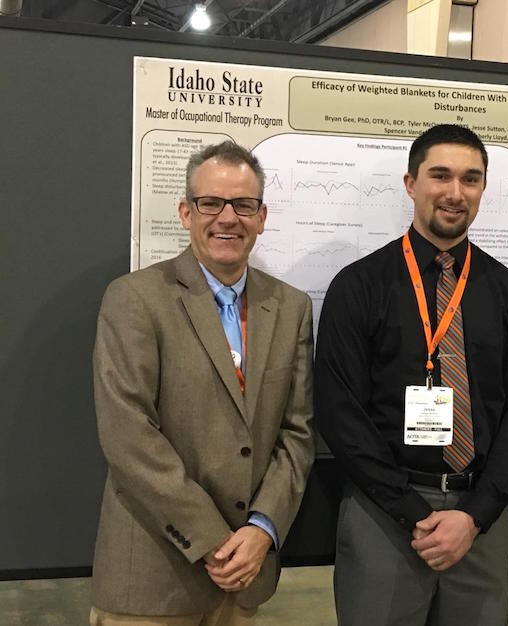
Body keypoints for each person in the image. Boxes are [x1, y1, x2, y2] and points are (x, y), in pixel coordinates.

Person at [314, 124, 508, 625]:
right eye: (440, 175)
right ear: (411, 183)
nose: (455, 192)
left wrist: (474, 516)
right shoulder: (358, 287)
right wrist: (414, 514)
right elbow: (339, 414)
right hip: (384, 515)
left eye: (471, 179)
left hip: (481, 520)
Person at [90, 141, 315, 625]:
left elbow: (297, 433)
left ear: (261, 216)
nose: (227, 218)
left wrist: (262, 530)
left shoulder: (292, 307)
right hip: (153, 581)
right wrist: (214, 541)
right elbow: (128, 435)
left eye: (243, 205)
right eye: (211, 203)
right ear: (186, 212)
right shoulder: (135, 299)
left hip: (245, 578)